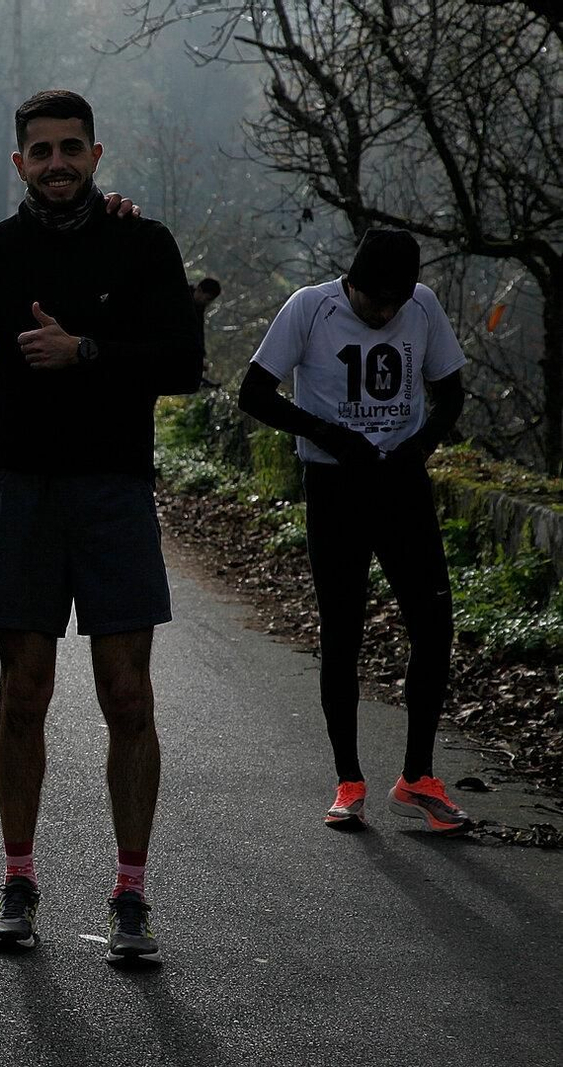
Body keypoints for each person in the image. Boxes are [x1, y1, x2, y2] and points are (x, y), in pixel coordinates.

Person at [0, 89, 202, 966]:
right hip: (23, 493)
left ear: (96, 154)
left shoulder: (143, 243)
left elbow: (187, 364)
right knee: (23, 695)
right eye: (40, 150)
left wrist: (85, 349)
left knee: (129, 697)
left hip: (116, 492)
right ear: (19, 163)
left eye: (71, 149)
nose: (56, 163)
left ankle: (132, 894)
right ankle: (19, 883)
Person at [237, 227, 470, 836]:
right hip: (336, 486)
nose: (386, 314)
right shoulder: (311, 307)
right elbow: (253, 392)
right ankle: (349, 782)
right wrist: (333, 436)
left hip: (401, 483)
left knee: (434, 624)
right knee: (343, 630)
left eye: (395, 303)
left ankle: (417, 777)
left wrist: (420, 446)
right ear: (353, 282)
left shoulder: (422, 305)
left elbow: (450, 391)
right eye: (375, 303)